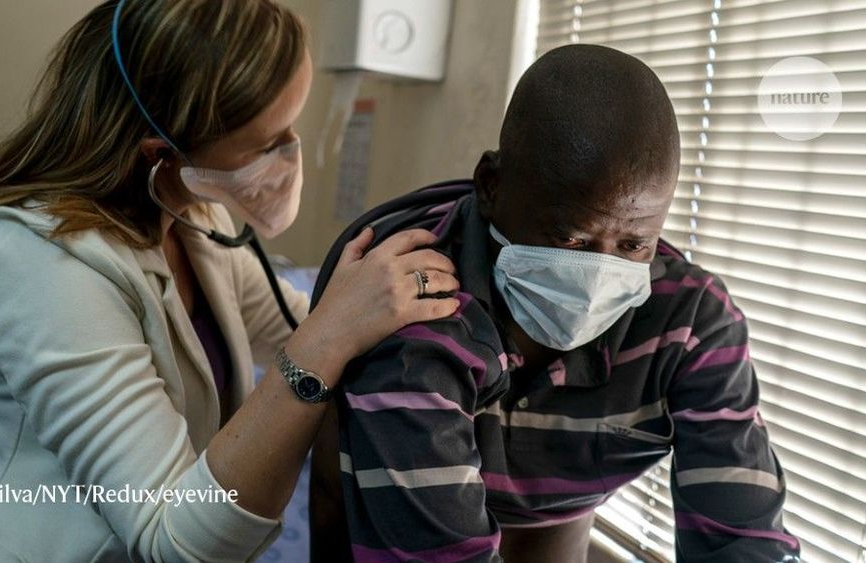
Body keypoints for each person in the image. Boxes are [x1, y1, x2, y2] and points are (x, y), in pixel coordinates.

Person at [0, 1, 461, 561]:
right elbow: (175, 539)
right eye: (268, 144)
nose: (291, 155)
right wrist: (329, 337)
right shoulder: (42, 265)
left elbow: (293, 323)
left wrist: (383, 310)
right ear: (160, 153)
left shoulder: (192, 215)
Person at [310, 44, 801, 562]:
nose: (599, 275)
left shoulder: (692, 327)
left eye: (633, 244)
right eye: (571, 239)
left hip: (550, 523)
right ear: (491, 186)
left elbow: (743, 539)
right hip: (378, 522)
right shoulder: (410, 307)